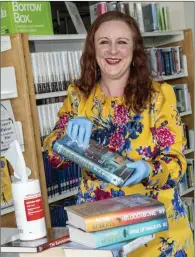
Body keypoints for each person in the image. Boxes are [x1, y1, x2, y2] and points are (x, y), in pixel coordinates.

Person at [44, 11, 194, 257]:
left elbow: (176, 164)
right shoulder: (77, 97)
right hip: (99, 235)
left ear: (135, 51)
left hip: (157, 235)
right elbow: (53, 157)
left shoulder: (159, 96)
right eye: (104, 42)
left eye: (122, 42)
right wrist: (65, 138)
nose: (112, 51)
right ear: (93, 50)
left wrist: (148, 170)